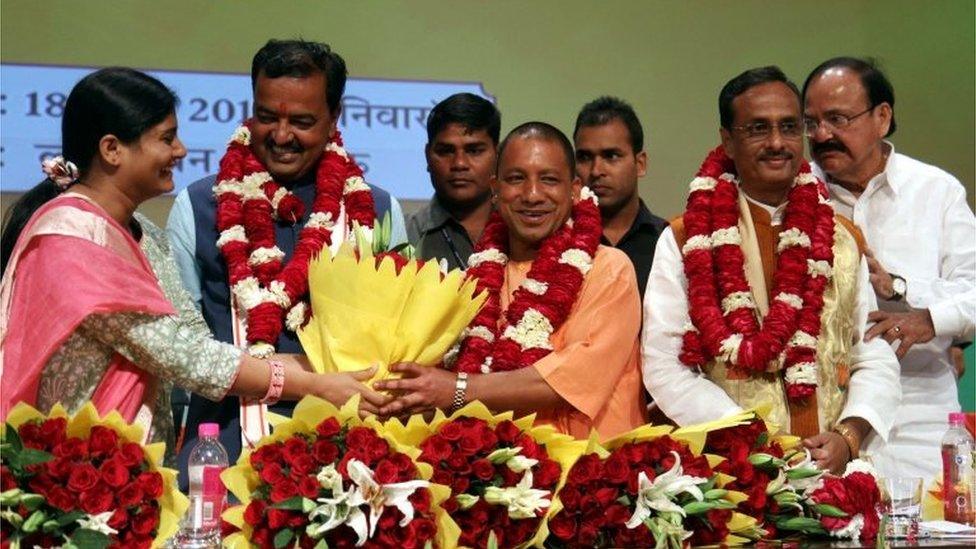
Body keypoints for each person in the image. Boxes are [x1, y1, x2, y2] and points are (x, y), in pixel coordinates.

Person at [0, 68, 384, 464]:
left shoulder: (144, 233)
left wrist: (329, 371)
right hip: (76, 471)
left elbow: (198, 341)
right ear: (112, 149)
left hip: (133, 467)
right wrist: (315, 386)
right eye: (167, 138)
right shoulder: (72, 239)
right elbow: (183, 356)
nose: (181, 150)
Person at [641, 66, 901, 474]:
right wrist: (749, 439)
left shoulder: (841, 239)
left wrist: (849, 436)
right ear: (728, 140)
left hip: (831, 473)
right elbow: (664, 363)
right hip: (730, 475)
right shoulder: (685, 239)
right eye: (758, 129)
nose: (777, 143)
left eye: (789, 127)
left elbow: (870, 352)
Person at [166, 39, 406, 467]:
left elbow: (395, 346)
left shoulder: (378, 211)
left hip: (350, 457)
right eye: (265, 117)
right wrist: (306, 375)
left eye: (301, 121)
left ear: (335, 117)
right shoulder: (199, 206)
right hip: (224, 457)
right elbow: (182, 351)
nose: (281, 136)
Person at [375, 122, 647, 440]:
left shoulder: (609, 270)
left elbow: (568, 382)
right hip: (490, 471)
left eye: (549, 180)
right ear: (495, 188)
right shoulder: (472, 281)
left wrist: (456, 389)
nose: (532, 195)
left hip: (590, 473)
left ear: (574, 190)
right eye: (516, 179)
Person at [803, 57, 976, 481]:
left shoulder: (935, 191)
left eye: (838, 119)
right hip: (822, 427)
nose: (822, 135)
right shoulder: (797, 196)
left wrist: (916, 307)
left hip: (919, 417)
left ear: (882, 117)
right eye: (811, 122)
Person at [573, 96, 668, 300]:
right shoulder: (558, 242)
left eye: (611, 156)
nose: (596, 170)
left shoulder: (667, 242)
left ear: (640, 164)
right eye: (584, 157)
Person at [407, 93, 499, 270]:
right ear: (428, 156)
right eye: (446, 151)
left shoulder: (520, 231)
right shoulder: (403, 235)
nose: (459, 164)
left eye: (474, 150)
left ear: (497, 155)